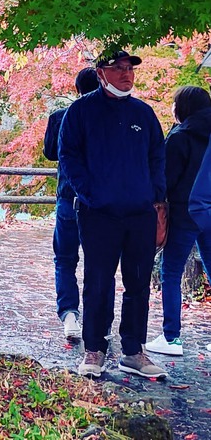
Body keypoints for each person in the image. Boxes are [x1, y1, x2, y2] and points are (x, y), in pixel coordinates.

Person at [59, 48, 166, 379]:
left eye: (129, 69)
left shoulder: (144, 114)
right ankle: (95, 349)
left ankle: (133, 351)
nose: (126, 74)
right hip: (98, 215)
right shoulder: (80, 112)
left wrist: (157, 202)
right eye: (117, 68)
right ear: (101, 73)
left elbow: (157, 160)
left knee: (138, 285)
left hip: (140, 215)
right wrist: (91, 195)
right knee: (98, 282)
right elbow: (69, 157)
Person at [146, 86, 211, 356]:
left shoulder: (181, 137)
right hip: (209, 210)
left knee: (171, 272)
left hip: (185, 211)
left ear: (182, 107)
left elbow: (165, 179)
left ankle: (172, 338)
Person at [42, 66, 100, 342]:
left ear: (76, 89)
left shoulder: (59, 117)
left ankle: (69, 315)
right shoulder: (107, 118)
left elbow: (51, 153)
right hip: (100, 201)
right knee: (99, 261)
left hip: (68, 196)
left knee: (65, 259)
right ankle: (98, 320)